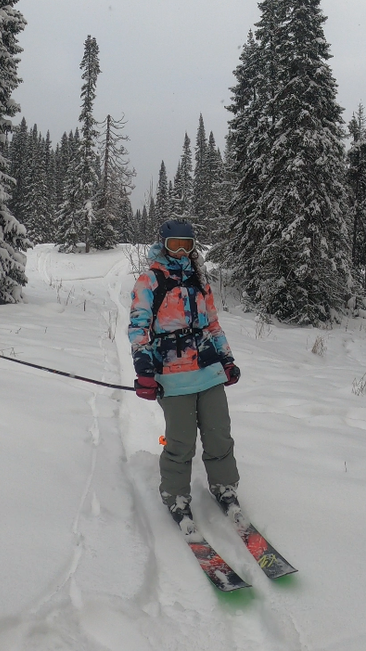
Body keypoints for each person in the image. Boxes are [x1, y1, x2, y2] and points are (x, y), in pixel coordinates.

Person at [129, 220, 242, 531]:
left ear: (193, 248)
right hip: (172, 373)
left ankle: (224, 487)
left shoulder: (198, 281)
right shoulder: (150, 281)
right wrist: (144, 370)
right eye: (174, 244)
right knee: (181, 441)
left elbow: (213, 326)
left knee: (219, 433)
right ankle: (176, 495)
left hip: (207, 370)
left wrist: (227, 360)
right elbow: (138, 328)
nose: (180, 251)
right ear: (163, 244)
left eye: (186, 245)